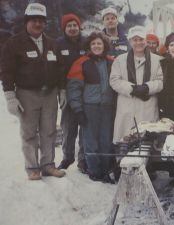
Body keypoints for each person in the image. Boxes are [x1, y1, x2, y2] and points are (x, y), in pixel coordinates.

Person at [1, 3, 66, 180]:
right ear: (26, 22)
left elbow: (60, 68)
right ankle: (32, 167)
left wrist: (62, 90)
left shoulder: (52, 43)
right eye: (34, 20)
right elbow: (6, 71)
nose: (38, 24)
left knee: (49, 130)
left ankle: (48, 165)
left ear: (45, 23)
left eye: (41, 21)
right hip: (26, 93)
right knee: (29, 132)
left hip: (50, 94)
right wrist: (9, 96)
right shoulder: (14, 43)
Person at [67, 32, 115, 183]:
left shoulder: (111, 62)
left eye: (99, 43)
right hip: (90, 107)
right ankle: (94, 171)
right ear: (89, 46)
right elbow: (74, 88)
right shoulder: (81, 63)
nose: (96, 46)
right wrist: (78, 110)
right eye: (93, 44)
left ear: (104, 46)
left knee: (106, 140)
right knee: (91, 141)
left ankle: (106, 169)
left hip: (108, 107)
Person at [110, 26, 163, 143]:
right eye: (135, 40)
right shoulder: (120, 60)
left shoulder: (158, 60)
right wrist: (132, 89)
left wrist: (147, 87)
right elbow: (114, 80)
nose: (138, 43)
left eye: (141, 39)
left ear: (146, 41)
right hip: (127, 107)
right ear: (130, 41)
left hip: (148, 107)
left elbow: (161, 81)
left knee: (147, 144)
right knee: (125, 142)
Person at [56, 13, 87, 173]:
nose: (73, 28)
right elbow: (55, 69)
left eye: (75, 25)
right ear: (64, 28)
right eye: (69, 26)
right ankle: (67, 157)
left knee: (85, 126)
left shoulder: (86, 42)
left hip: (85, 90)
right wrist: (60, 89)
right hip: (66, 90)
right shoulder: (58, 44)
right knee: (68, 126)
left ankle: (83, 158)